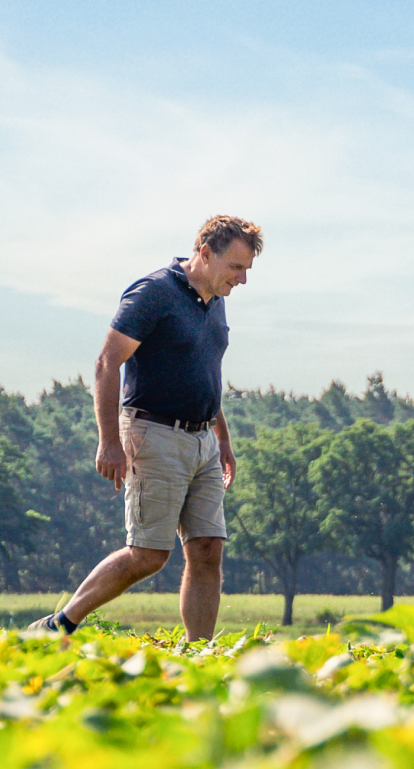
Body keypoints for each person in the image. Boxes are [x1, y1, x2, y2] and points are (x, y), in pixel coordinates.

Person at [29, 215, 260, 639]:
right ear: (205, 254)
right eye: (235, 267)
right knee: (149, 554)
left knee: (208, 550)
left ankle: (199, 653)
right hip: (154, 434)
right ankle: (60, 623)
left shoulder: (215, 300)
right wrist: (109, 442)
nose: (242, 279)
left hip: (203, 440)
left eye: (246, 269)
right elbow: (106, 362)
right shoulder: (154, 292)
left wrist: (223, 438)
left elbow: (205, 373)